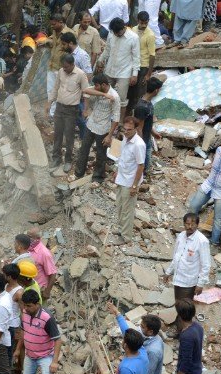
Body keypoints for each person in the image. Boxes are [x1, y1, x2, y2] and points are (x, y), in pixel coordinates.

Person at [14, 289, 64, 374]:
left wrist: (54, 361)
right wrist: (18, 349)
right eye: (24, 305)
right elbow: (23, 331)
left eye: (29, 306)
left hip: (45, 356)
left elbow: (58, 340)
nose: (25, 308)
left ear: (37, 304)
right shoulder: (25, 313)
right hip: (30, 355)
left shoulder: (47, 318)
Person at [188, 137, 221, 246]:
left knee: (218, 219)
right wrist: (211, 165)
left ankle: (214, 242)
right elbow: (215, 159)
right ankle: (191, 233)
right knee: (193, 206)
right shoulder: (218, 150)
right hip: (209, 184)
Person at [163, 212, 211, 334]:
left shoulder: (202, 241)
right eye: (187, 224)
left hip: (189, 282)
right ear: (184, 224)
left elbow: (206, 265)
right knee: (178, 305)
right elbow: (176, 257)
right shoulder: (181, 236)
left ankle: (184, 333)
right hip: (178, 278)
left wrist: (200, 284)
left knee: (185, 309)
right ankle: (180, 327)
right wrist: (169, 272)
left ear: (197, 224)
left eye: (192, 224)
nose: (189, 227)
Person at [72, 74, 120, 185]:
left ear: (104, 84)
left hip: (103, 129)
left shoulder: (115, 96)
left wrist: (109, 136)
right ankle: (79, 173)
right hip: (91, 124)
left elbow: (116, 118)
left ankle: (98, 177)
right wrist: (103, 94)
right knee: (84, 149)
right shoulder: (99, 91)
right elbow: (85, 90)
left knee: (101, 154)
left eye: (97, 85)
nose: (95, 87)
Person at [47, 54, 88, 172]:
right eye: (63, 67)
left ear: (72, 64)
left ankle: (68, 160)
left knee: (69, 136)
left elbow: (86, 93)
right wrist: (50, 102)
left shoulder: (80, 74)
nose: (64, 69)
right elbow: (55, 88)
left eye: (66, 67)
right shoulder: (60, 71)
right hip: (59, 107)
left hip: (71, 110)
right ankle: (56, 158)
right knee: (58, 134)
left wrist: (85, 109)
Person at [96, 18, 140, 123]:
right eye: (114, 33)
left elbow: (136, 57)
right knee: (104, 94)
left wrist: (135, 74)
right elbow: (107, 49)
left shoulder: (133, 37)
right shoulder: (111, 34)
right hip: (110, 69)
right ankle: (103, 118)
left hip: (124, 72)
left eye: (118, 33)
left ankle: (119, 123)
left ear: (124, 27)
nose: (116, 35)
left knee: (121, 99)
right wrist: (100, 60)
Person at [112, 117, 146, 245]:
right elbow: (122, 157)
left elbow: (141, 166)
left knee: (127, 210)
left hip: (130, 181)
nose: (126, 132)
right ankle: (121, 230)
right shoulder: (126, 138)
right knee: (120, 206)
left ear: (136, 129)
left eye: (129, 130)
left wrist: (134, 185)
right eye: (124, 129)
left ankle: (126, 237)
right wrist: (117, 171)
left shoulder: (139, 144)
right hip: (122, 177)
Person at [126, 12, 156, 116]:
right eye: (142, 22)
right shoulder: (133, 30)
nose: (144, 25)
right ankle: (128, 114)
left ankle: (137, 116)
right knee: (129, 92)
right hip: (132, 64)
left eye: (146, 23)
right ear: (138, 21)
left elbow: (152, 55)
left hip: (143, 66)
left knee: (139, 93)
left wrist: (148, 74)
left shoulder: (150, 35)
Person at [26, 228, 58, 301]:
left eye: (30, 237)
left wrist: (47, 291)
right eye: (27, 236)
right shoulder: (29, 248)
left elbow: (53, 273)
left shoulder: (44, 253)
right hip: (29, 288)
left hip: (39, 290)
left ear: (38, 238)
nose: (27, 238)